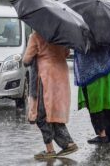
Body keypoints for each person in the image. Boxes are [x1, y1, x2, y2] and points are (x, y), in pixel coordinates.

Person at [22, 31, 77, 160]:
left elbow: (26, 60)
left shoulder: (36, 36)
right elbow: (66, 53)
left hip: (46, 76)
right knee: (55, 113)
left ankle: (52, 149)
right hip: (61, 75)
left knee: (41, 114)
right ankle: (66, 143)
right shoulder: (62, 35)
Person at [75, 46, 110, 143]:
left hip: (92, 74)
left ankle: (102, 134)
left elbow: (81, 51)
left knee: (95, 104)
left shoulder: (86, 34)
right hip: (109, 73)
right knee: (108, 103)